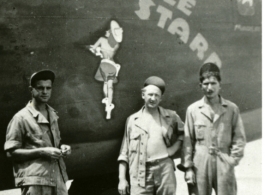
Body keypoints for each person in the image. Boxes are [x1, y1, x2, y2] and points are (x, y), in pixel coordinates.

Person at [177, 63, 246, 195]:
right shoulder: (193, 110)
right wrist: (188, 168)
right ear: (200, 86)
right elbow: (188, 142)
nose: (210, 87)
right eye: (206, 83)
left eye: (213, 83)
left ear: (220, 85)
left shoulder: (231, 109)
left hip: (223, 160)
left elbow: (239, 138)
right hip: (200, 163)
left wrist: (232, 161)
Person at [4, 70, 71, 195]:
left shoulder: (53, 115)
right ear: (31, 90)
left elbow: (53, 142)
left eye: (48, 88)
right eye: (40, 88)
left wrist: (63, 147)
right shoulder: (20, 118)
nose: (45, 92)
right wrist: (42, 152)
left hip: (57, 179)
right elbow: (10, 153)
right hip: (36, 182)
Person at [117, 76, 184, 195]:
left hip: (165, 170)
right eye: (150, 94)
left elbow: (186, 133)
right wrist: (122, 179)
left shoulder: (170, 116)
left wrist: (173, 149)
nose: (153, 98)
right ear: (143, 95)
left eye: (157, 95)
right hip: (139, 172)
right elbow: (124, 153)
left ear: (161, 98)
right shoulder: (132, 120)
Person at [88, 20, 123, 119]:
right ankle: (108, 106)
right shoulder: (116, 44)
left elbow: (93, 49)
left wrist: (98, 51)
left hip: (105, 64)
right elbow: (110, 53)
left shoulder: (102, 39)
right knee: (109, 86)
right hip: (110, 65)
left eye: (108, 31)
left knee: (106, 84)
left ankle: (108, 103)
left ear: (111, 33)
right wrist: (99, 52)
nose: (105, 32)